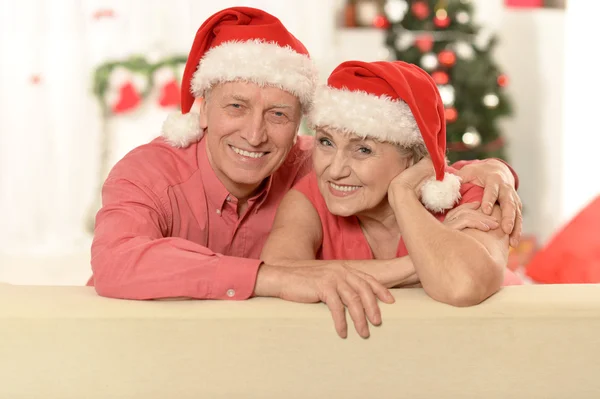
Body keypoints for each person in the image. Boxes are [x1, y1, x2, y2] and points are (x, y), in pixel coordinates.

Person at [90, 7, 522, 339]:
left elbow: (383, 158)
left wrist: (490, 170)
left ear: (299, 123)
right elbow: (115, 260)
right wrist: (272, 277)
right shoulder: (148, 172)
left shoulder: (309, 162)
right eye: (236, 106)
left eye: (278, 114)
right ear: (202, 109)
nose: (255, 135)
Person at [261, 60, 522, 310]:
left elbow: (463, 286)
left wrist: (402, 194)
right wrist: (414, 265)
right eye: (326, 142)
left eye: (363, 149)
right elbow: (276, 272)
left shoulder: (475, 191)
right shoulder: (309, 198)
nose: (335, 170)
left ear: (412, 158)